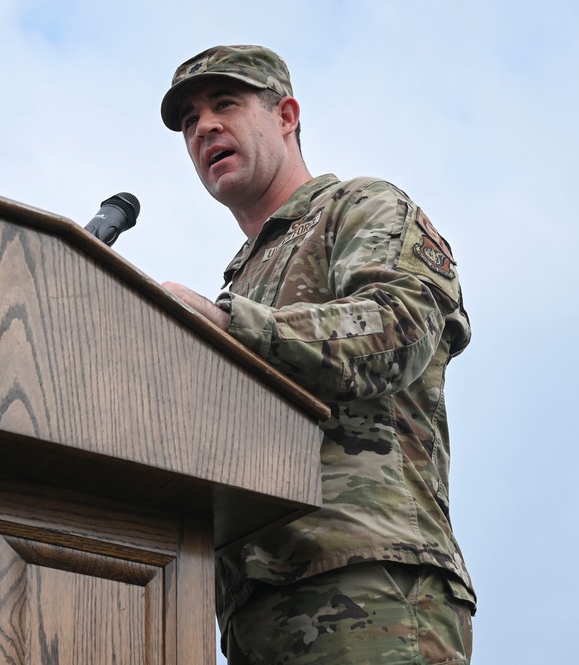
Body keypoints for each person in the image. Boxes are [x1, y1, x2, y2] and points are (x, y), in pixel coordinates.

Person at [159, 45, 476, 664]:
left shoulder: (360, 207)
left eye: (225, 103)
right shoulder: (243, 279)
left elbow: (398, 329)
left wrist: (225, 322)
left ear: (286, 115)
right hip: (252, 611)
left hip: (368, 581)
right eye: (190, 121)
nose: (206, 127)